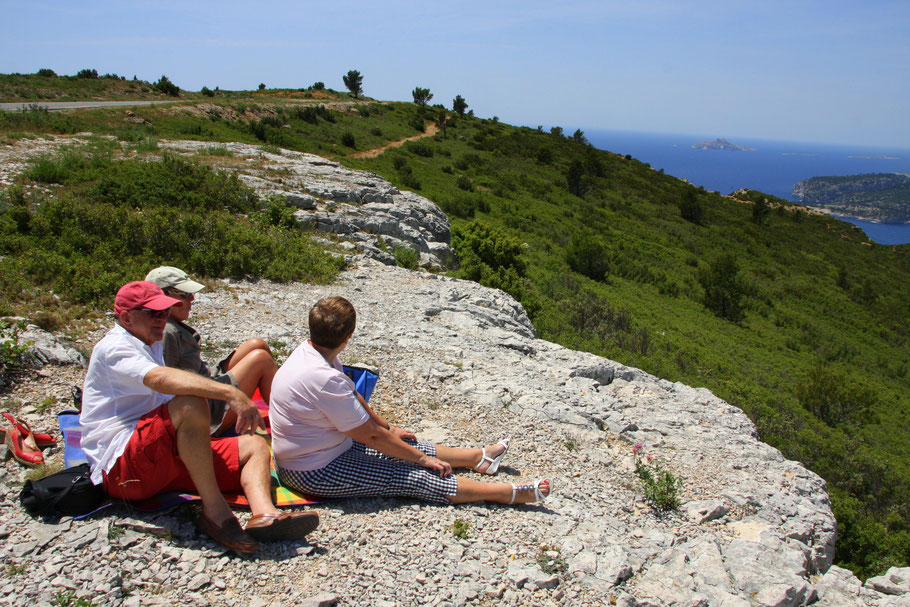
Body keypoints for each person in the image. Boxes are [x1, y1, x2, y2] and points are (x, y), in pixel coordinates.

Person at [81, 281, 318, 554]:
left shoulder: (148, 340)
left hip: (160, 456)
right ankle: (215, 514)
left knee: (253, 445)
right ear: (126, 317)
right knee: (191, 402)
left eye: (163, 312)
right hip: (124, 469)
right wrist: (230, 393)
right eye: (153, 313)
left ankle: (265, 515)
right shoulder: (115, 347)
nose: (161, 319)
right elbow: (158, 378)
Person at [270, 296, 551, 506]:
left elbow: (353, 397)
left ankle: (480, 458)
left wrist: (390, 429)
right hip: (312, 469)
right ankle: (507, 493)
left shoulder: (312, 353)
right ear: (347, 337)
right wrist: (422, 460)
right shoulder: (322, 377)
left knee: (406, 444)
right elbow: (370, 436)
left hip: (325, 446)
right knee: (407, 474)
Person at [145, 266, 278, 436]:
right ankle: (292, 419)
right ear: (162, 297)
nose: (192, 299)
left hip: (204, 380)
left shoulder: (169, 324)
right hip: (205, 407)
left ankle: (284, 404)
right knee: (261, 360)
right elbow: (166, 387)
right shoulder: (166, 332)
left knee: (256, 344)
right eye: (184, 295)